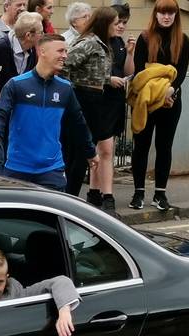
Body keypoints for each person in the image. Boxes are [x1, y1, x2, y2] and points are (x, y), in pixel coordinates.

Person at [0, 33, 97, 191]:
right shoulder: (17, 85)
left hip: (52, 170)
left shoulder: (65, 88)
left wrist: (91, 152)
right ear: (42, 51)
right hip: (18, 169)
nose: (65, 56)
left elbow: (79, 123)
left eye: (66, 51)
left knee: (52, 216)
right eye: (60, 51)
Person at [127, 0, 189, 211]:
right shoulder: (145, 38)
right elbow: (141, 71)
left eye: (171, 13)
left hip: (171, 100)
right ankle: (138, 193)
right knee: (141, 146)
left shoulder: (184, 40)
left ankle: (160, 194)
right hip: (146, 98)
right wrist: (160, 90)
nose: (166, 17)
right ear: (155, 14)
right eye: (162, 12)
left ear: (176, 15)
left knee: (164, 146)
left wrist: (169, 91)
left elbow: (180, 72)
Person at [62, 6, 116, 197]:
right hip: (83, 98)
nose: (118, 26)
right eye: (115, 23)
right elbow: (64, 64)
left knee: (86, 152)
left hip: (95, 99)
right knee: (78, 154)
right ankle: (69, 197)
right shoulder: (89, 42)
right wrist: (69, 91)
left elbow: (96, 72)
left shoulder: (101, 42)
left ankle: (71, 197)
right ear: (105, 23)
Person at [85, 1, 134, 212]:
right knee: (102, 149)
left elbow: (128, 71)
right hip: (97, 101)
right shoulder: (93, 42)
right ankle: (105, 196)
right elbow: (83, 71)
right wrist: (108, 78)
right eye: (118, 22)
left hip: (115, 101)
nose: (121, 26)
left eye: (124, 22)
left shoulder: (119, 43)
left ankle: (97, 192)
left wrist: (130, 53)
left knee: (105, 149)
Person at [0, 246, 79, 336]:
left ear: (7, 278)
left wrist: (64, 310)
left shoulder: (15, 292)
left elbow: (61, 281)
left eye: (0, 282)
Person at [0, 11, 41, 93]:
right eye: (40, 32)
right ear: (28, 36)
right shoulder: (1, 48)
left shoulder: (31, 49)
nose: (43, 35)